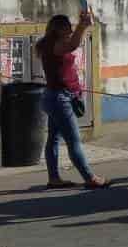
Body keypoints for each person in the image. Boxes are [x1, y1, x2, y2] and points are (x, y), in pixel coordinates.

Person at [38, 10, 107, 189]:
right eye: (67, 27)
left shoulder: (48, 43)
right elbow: (74, 44)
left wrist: (81, 26)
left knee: (53, 138)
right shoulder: (55, 45)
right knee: (73, 140)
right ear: (58, 29)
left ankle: (54, 178)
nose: (70, 30)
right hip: (59, 98)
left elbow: (72, 44)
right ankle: (89, 178)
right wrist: (83, 25)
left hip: (54, 97)